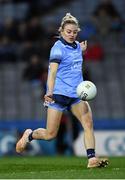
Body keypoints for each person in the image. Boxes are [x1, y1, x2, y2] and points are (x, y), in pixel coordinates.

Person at [16, 13, 109, 168]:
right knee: (50, 134)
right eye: (68, 32)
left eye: (74, 32)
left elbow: (74, 58)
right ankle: (29, 135)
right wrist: (49, 92)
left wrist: (83, 50)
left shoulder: (78, 46)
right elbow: (52, 73)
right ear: (61, 31)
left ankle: (91, 158)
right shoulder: (57, 49)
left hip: (77, 95)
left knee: (88, 123)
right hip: (59, 95)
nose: (72, 34)